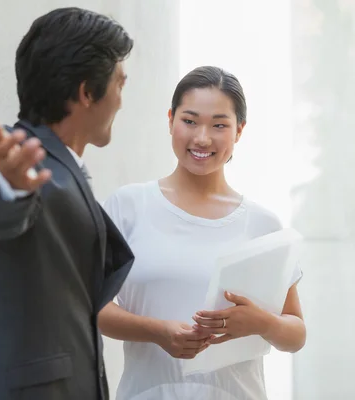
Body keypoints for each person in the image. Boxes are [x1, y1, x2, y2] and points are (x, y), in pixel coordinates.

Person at [99, 66, 306, 400]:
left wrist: (261, 323)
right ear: (170, 120)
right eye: (190, 121)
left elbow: (295, 333)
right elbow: (91, 307)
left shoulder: (262, 223)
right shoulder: (127, 206)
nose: (202, 138)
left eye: (220, 125)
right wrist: (157, 332)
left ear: (239, 131)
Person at [0, 7, 135, 400]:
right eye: (120, 84)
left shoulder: (66, 168)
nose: (122, 101)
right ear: (87, 92)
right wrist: (9, 186)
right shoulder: (13, 157)